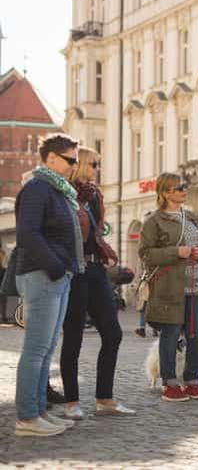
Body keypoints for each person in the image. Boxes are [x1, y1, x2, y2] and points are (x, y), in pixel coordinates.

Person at [14, 133, 83, 436]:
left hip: (58, 275)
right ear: (52, 158)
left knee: (47, 348)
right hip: (43, 275)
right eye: (71, 160)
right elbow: (29, 233)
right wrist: (56, 266)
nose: (74, 166)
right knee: (36, 349)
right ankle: (27, 417)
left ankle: (39, 410)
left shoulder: (58, 190)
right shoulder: (37, 188)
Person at [59, 147, 134, 419]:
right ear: (79, 165)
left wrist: (106, 251)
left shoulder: (95, 196)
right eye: (93, 164)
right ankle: (71, 402)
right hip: (74, 270)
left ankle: (105, 398)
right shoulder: (64, 195)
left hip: (96, 268)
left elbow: (96, 231)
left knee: (113, 333)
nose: (96, 169)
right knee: (74, 336)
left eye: (98, 165)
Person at [139, 173, 198, 402]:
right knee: (171, 333)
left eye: (184, 187)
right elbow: (145, 254)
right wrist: (176, 252)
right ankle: (170, 383)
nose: (184, 191)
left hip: (197, 286)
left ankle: (192, 381)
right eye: (178, 188)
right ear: (165, 193)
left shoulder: (193, 218)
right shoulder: (154, 221)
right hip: (169, 288)